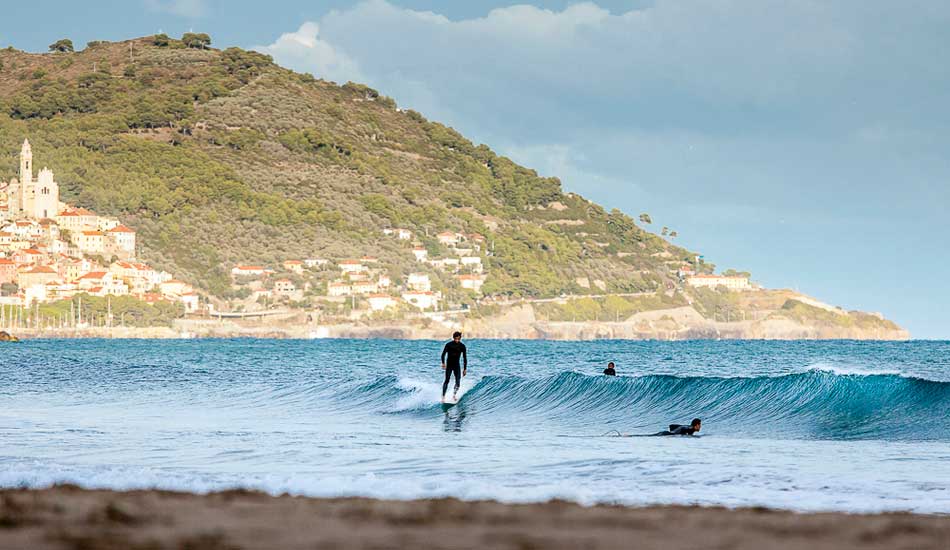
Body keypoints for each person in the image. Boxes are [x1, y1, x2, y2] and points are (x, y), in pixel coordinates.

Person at [440, 331, 467, 401]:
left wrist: (465, 369)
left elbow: (465, 358)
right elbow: (443, 354)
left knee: (458, 382)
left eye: (458, 339)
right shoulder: (449, 345)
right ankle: (443, 397)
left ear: (460, 338)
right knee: (447, 380)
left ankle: (454, 395)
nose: (457, 340)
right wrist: (443, 363)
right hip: (449, 365)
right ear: (453, 338)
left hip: (456, 366)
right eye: (455, 339)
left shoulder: (462, 346)